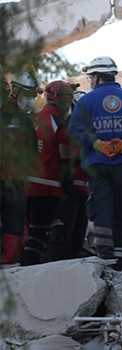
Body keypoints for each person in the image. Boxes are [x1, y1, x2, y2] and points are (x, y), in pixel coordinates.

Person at [68, 56, 122, 271]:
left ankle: (105, 260)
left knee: (102, 210)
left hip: (98, 166)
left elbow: (75, 130)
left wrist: (98, 144)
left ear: (96, 77)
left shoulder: (87, 101)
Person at [22, 81, 74, 265]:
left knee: (28, 232)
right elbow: (65, 158)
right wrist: (68, 184)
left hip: (25, 184)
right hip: (48, 187)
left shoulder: (32, 118)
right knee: (40, 234)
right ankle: (30, 273)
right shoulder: (60, 126)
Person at [1, 71, 39, 264]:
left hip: (15, 182)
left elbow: (32, 151)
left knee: (14, 227)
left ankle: (10, 265)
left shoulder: (22, 118)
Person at [49, 89, 89, 261]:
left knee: (77, 237)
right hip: (69, 189)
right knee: (63, 237)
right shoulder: (69, 129)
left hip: (83, 191)